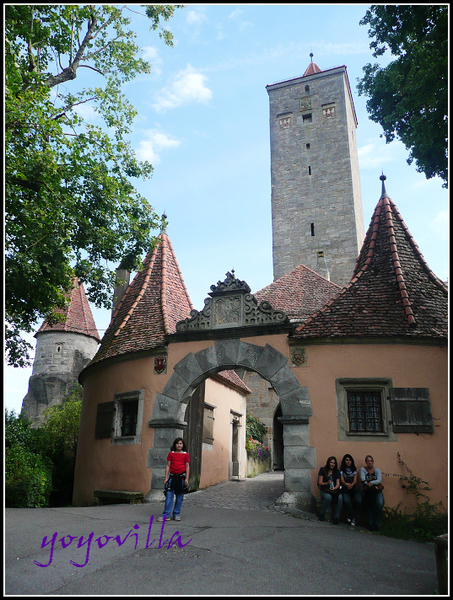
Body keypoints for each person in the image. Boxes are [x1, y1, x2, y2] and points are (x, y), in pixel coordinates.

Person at [158, 437, 190, 522]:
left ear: (183, 445)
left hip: (181, 478)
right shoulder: (171, 454)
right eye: (177, 443)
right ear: (175, 445)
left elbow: (187, 466)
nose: (179, 445)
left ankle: (176, 514)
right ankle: (166, 515)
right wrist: (166, 478)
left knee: (179, 496)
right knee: (169, 496)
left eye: (180, 443)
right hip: (172, 478)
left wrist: (186, 478)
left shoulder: (185, 454)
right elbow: (168, 466)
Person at [360, 454, 384, 531]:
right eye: (368, 461)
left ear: (373, 462)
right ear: (366, 462)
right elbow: (363, 480)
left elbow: (379, 480)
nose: (369, 462)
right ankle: (370, 523)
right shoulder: (363, 470)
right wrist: (370, 484)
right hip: (368, 491)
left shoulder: (377, 470)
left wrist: (372, 483)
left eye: (371, 461)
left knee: (379, 504)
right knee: (369, 505)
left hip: (376, 490)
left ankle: (376, 523)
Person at [318, 456, 343, 524]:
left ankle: (336, 517)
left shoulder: (337, 471)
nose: (332, 464)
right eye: (331, 462)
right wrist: (326, 483)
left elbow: (338, 483)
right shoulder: (323, 470)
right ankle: (322, 513)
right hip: (325, 490)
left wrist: (334, 488)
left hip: (334, 490)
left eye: (334, 463)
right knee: (328, 497)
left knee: (340, 498)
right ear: (328, 463)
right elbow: (320, 482)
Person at [340, 453, 361, 526]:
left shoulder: (354, 470)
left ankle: (350, 515)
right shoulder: (342, 470)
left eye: (349, 460)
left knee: (358, 501)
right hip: (346, 488)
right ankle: (353, 516)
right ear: (344, 461)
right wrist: (346, 484)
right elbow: (342, 480)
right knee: (346, 501)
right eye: (347, 460)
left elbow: (355, 480)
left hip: (354, 488)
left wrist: (352, 485)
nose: (348, 462)